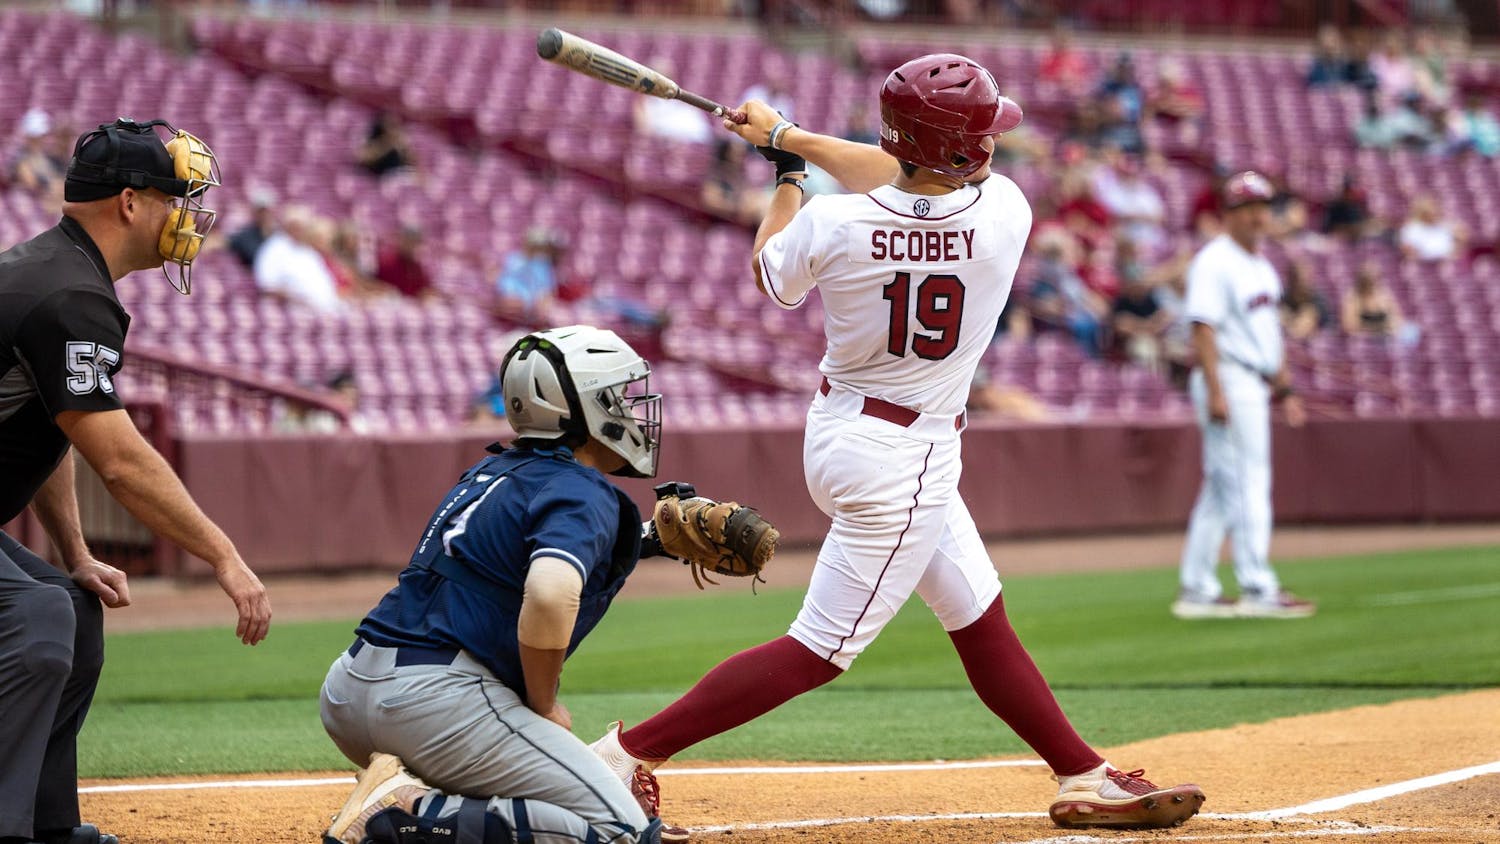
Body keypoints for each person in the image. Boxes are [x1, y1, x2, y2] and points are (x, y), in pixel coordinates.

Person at [587, 54, 1205, 836]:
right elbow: (911, 171)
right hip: (906, 459)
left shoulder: (831, 221)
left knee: (978, 614)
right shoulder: (1004, 213)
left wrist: (785, 168)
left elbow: (775, 267)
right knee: (819, 650)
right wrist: (795, 141)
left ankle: (1082, 773)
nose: (993, 144)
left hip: (843, 433)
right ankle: (619, 756)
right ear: (963, 150)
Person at [0, 118, 272, 844]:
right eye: (176, 198)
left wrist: (77, 552)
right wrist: (224, 556)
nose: (188, 217)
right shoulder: (68, 295)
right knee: (39, 622)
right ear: (129, 202)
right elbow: (119, 460)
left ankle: (50, 826)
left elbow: (51, 431)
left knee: (70, 605)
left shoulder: (55, 269)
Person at [317, 325, 677, 844]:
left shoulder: (491, 472)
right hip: (435, 704)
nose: (629, 407)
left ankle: (416, 795)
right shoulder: (581, 487)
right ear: (585, 410)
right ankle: (408, 811)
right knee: (620, 831)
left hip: (351, 690)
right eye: (617, 395)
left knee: (540, 801)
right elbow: (551, 592)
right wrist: (543, 701)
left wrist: (651, 541)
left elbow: (503, 566)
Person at [1173, 172, 1315, 620]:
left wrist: (1285, 386)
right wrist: (1216, 391)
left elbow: (1268, 334)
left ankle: (1197, 588)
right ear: (1229, 214)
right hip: (1229, 379)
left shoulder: (1260, 266)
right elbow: (1202, 328)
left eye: (1263, 207)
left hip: (1253, 378)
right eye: (1248, 207)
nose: (1258, 215)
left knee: (1221, 487)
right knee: (1249, 483)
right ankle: (1258, 586)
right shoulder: (1215, 261)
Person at [253, 206, 345, 312]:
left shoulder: (308, 251)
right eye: (299, 226)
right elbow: (267, 285)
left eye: (306, 227)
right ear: (289, 226)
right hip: (293, 312)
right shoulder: (273, 249)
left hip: (325, 311)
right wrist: (296, 298)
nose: (304, 230)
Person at [1340, 263, 1410, 339]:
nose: (1373, 281)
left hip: (1385, 335)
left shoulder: (1385, 294)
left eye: (1377, 278)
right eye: (1369, 279)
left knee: (1409, 332)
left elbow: (1397, 319)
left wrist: (1390, 327)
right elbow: (1350, 326)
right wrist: (1374, 329)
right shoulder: (1353, 298)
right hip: (1364, 338)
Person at [374, 225, 435, 299]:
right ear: (400, 240)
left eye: (414, 242)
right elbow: (373, 285)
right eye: (408, 240)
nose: (411, 245)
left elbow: (423, 290)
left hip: (410, 307)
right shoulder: (385, 261)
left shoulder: (417, 268)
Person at [1397, 194, 1463, 261]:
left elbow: (1460, 245)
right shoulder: (1410, 229)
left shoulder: (1447, 225)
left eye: (1436, 210)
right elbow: (1409, 253)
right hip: (1424, 265)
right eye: (1430, 211)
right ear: (1423, 213)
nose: (1434, 213)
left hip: (1447, 263)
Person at [226, 187, 277, 269]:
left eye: (266, 211)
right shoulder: (244, 236)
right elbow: (225, 243)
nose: (264, 215)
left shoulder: (281, 235)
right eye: (260, 211)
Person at [1280, 260, 1331, 341]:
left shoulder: (1317, 299)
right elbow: (1280, 320)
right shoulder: (1285, 297)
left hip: (1316, 343)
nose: (1302, 282)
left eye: (1306, 279)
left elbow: (1304, 329)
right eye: (1298, 279)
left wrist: (1291, 321)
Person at [357, 111, 415, 177]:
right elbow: (365, 158)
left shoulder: (399, 138)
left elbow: (409, 161)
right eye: (391, 124)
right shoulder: (373, 134)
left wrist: (402, 147)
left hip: (395, 174)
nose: (394, 127)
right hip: (375, 175)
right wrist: (388, 142)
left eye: (395, 125)